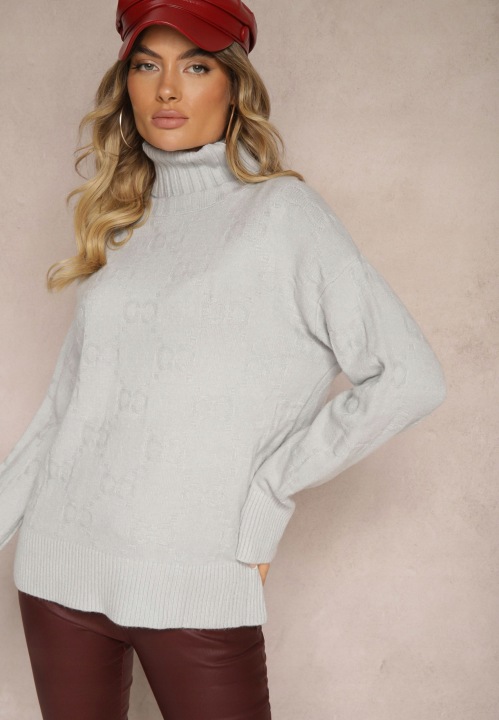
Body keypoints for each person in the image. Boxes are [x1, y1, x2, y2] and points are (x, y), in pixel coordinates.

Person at [0, 0, 447, 718]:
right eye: (147, 65)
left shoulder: (283, 215)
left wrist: (270, 493)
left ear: (234, 85)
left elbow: (408, 377)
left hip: (195, 575)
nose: (167, 88)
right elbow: (67, 408)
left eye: (196, 66)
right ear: (126, 84)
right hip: (59, 568)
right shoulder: (121, 220)